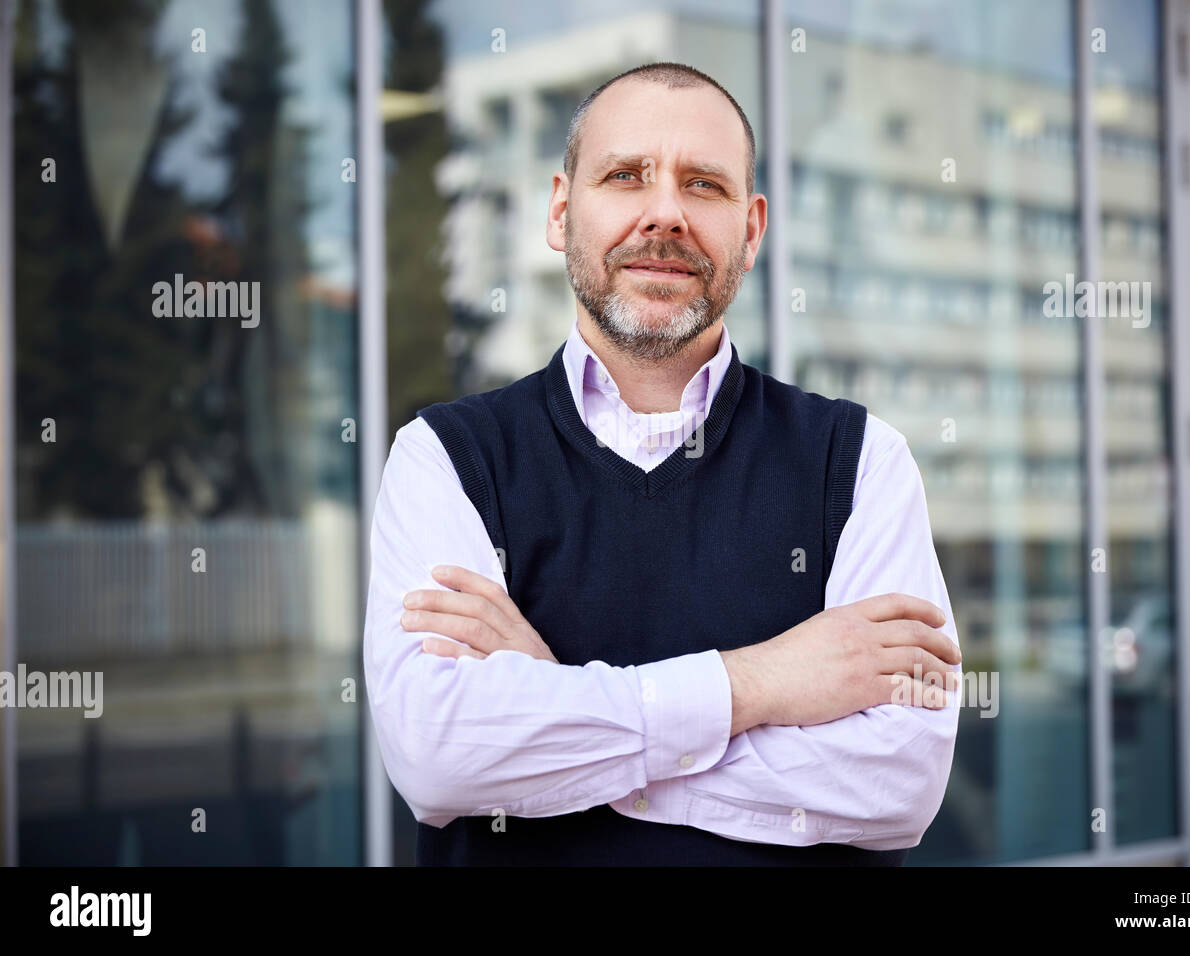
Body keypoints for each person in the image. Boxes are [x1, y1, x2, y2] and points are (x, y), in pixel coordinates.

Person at [363, 62, 962, 866]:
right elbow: (439, 758)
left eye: (704, 185)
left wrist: (560, 709)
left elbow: (900, 783)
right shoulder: (445, 458)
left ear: (750, 232)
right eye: (626, 176)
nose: (666, 214)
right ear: (561, 211)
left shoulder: (860, 465)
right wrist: (762, 683)